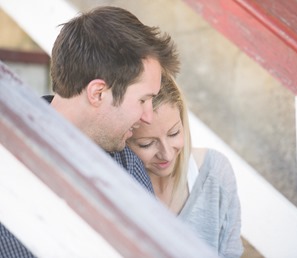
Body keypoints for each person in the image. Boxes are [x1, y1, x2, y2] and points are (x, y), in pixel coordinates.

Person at [0, 6, 180, 257]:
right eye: (142, 100)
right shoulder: (7, 157)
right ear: (98, 93)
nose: (147, 116)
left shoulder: (129, 166)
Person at [127, 75, 244, 258]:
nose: (166, 154)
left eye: (174, 133)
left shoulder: (215, 172)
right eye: (146, 144)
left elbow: (231, 252)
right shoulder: (119, 187)